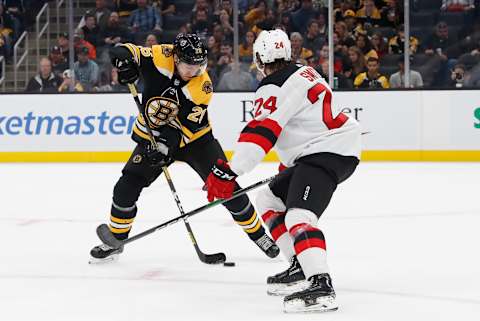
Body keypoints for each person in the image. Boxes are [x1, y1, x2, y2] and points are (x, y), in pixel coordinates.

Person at [205, 29, 361, 313]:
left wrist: (230, 171)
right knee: (268, 199)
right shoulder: (305, 71)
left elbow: (262, 131)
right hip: (326, 151)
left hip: (324, 153)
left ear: (259, 58)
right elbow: (302, 124)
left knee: (299, 216)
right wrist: (289, 168)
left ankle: (321, 284)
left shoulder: (272, 85)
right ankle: (300, 265)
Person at [90, 33, 280, 262]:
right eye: (189, 66)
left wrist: (163, 148)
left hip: (197, 141)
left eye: (199, 66)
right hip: (154, 135)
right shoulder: (162, 56)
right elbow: (125, 50)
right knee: (125, 187)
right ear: (176, 59)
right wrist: (123, 63)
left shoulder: (203, 87)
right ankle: (116, 241)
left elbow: (183, 129)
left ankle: (259, 235)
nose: (195, 72)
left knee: (226, 188)